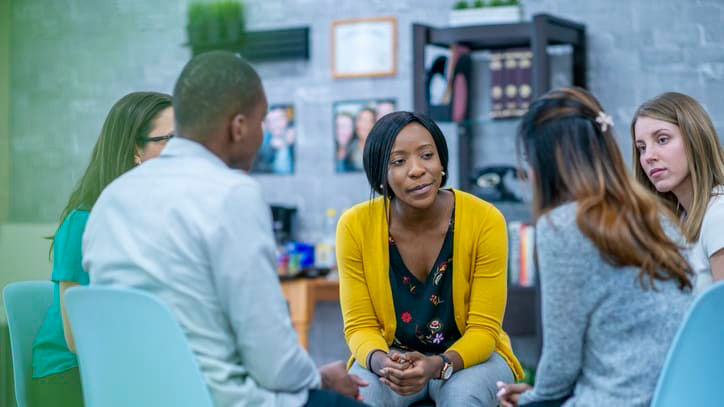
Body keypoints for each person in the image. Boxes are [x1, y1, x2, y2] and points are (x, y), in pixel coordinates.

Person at [82, 51, 366, 407]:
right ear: (239, 127)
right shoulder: (232, 193)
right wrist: (320, 378)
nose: (262, 135)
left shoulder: (112, 199)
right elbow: (273, 362)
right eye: (262, 121)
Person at [497, 87, 693, 407]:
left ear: (547, 162)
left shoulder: (562, 227)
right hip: (680, 396)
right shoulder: (656, 213)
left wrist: (533, 398)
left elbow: (561, 361)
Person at [337, 110, 524, 406]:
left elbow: (484, 330)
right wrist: (382, 363)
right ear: (379, 174)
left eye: (427, 155)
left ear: (441, 161)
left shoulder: (485, 220)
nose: (417, 170)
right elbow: (360, 325)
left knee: (464, 396)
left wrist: (439, 365)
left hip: (468, 359)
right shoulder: (355, 226)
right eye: (399, 162)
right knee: (365, 396)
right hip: (391, 358)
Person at [31, 91, 174, 407]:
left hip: (120, 366)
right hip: (69, 376)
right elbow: (76, 340)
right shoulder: (83, 221)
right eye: (170, 140)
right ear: (136, 149)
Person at [632, 92, 724, 295]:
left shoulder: (719, 215)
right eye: (642, 148)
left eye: (662, 139)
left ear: (695, 138)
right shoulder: (676, 221)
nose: (648, 157)